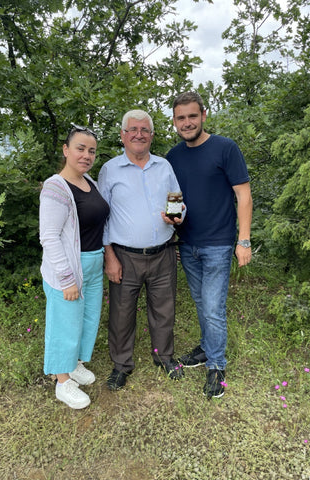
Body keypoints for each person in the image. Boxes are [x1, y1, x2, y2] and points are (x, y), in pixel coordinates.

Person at [167, 91, 253, 399]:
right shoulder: (173, 156)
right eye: (181, 118)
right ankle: (206, 348)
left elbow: (243, 196)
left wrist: (243, 240)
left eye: (192, 116)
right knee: (203, 304)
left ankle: (217, 366)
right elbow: (174, 197)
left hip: (218, 243)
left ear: (204, 115)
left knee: (214, 308)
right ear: (174, 122)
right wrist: (172, 220)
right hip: (186, 243)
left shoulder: (225, 148)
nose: (187, 122)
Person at [98, 109, 185, 391]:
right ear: (123, 135)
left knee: (164, 309)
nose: (139, 134)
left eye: (144, 130)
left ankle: (164, 357)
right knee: (122, 313)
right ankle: (122, 365)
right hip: (124, 256)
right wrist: (109, 256)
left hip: (164, 252)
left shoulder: (164, 166)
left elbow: (177, 201)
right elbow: (102, 216)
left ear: (152, 135)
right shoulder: (110, 170)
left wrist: (178, 215)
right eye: (133, 129)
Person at [39, 124, 109, 409]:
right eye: (80, 148)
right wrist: (67, 278)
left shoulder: (89, 182)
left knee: (87, 319)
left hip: (93, 263)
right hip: (69, 268)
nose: (86, 155)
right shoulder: (56, 186)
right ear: (66, 150)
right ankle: (62, 381)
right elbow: (49, 237)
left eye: (91, 150)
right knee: (65, 324)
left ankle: (75, 363)